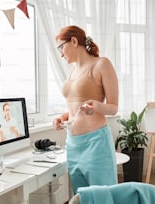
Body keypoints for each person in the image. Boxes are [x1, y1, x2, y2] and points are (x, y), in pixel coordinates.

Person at [53, 25, 119, 194]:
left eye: (61, 47)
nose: (60, 53)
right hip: (73, 144)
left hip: (96, 142)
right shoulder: (72, 72)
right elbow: (76, 108)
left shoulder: (101, 64)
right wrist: (63, 117)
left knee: (102, 196)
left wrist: (97, 106)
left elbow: (113, 108)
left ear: (74, 41)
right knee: (81, 196)